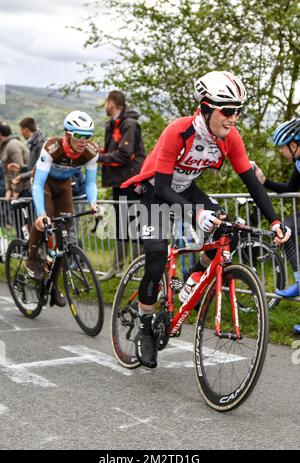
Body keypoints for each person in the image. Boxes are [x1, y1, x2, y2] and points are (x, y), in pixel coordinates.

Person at [122, 70, 291, 368]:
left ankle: (190, 282)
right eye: (227, 111)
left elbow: (251, 182)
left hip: (186, 189)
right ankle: (146, 327)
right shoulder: (178, 131)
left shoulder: (230, 138)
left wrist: (275, 221)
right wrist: (196, 214)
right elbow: (162, 187)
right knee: (157, 257)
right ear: (206, 106)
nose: (234, 118)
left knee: (229, 232)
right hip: (152, 193)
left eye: (238, 111)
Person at [26, 110, 99, 307]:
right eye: (79, 136)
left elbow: (91, 183)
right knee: (46, 220)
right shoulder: (52, 147)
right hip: (44, 183)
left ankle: (55, 286)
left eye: (88, 136)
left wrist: (93, 203)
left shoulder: (91, 151)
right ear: (67, 134)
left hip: (64, 185)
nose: (84, 141)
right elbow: (38, 184)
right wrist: (41, 214)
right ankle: (32, 258)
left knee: (63, 237)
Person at [253, 118, 300, 333]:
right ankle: (299, 280)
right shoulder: (298, 163)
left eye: (283, 147)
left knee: (288, 227)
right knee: (287, 229)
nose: (281, 151)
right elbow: (290, 188)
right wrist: (264, 182)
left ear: (294, 145)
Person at [98, 90, 145, 279]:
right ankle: (116, 268)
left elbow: (125, 155)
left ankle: (135, 268)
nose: (104, 105)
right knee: (121, 224)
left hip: (132, 181)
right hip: (118, 181)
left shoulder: (130, 124)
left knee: (135, 225)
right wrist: (98, 153)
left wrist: (98, 158)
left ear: (112, 103)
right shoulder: (113, 124)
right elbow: (113, 150)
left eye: (105, 101)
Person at [8, 117, 45, 186]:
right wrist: (20, 168)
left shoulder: (40, 144)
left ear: (26, 130)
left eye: (21, 130)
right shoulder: (34, 143)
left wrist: (21, 177)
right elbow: (34, 166)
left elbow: (41, 169)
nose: (21, 133)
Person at [0, 122, 30, 199]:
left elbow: (18, 169)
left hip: (25, 190)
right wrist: (8, 189)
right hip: (17, 191)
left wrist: (16, 191)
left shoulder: (12, 145)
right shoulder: (4, 147)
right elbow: (7, 171)